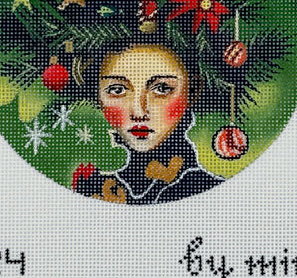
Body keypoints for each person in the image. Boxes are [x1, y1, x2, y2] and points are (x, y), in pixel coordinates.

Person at [71, 43, 222, 205]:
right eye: (117, 90)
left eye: (162, 89)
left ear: (191, 92)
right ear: (98, 96)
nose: (139, 112)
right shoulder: (94, 188)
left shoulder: (201, 188)